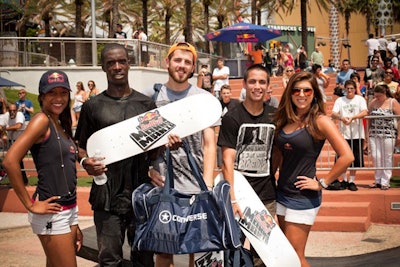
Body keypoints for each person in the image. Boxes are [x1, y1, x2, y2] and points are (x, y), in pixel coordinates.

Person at [75, 43, 156, 267]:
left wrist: (170, 143)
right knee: (109, 261)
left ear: (129, 64)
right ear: (103, 67)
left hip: (140, 196)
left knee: (144, 260)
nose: (117, 66)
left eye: (121, 61)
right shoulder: (92, 106)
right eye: (111, 63)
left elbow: (154, 150)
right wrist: (85, 161)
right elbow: (80, 146)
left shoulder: (146, 104)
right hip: (106, 196)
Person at [3, 69, 83, 267]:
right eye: (52, 93)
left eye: (63, 93)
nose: (59, 98)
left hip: (68, 208)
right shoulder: (41, 120)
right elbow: (10, 161)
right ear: (42, 97)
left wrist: (74, 219)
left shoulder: (59, 124)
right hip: (52, 212)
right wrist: (30, 205)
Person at [273, 71, 353, 267]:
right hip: (282, 192)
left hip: (302, 197)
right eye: (296, 90)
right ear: (289, 93)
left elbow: (347, 156)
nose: (301, 94)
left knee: (295, 257)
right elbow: (280, 153)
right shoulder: (286, 119)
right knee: (285, 254)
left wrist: (322, 183)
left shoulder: (320, 121)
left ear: (314, 94)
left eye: (307, 91)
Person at [146, 42, 216, 267]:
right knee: (164, 253)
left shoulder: (204, 99)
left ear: (193, 67)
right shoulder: (151, 96)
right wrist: (149, 169)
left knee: (197, 250)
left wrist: (207, 184)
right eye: (177, 60)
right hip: (163, 185)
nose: (182, 65)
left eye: (187, 62)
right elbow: (141, 144)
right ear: (167, 62)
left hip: (196, 187)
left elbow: (209, 144)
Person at [218, 64, 277, 267]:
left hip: (266, 197)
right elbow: (227, 160)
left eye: (262, 82)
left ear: (268, 86)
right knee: (234, 253)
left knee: (263, 254)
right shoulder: (232, 117)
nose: (257, 86)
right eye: (252, 81)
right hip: (240, 196)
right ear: (244, 84)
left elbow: (277, 154)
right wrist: (233, 199)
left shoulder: (275, 116)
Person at [331, 80, 368, 191]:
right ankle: (344, 180)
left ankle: (352, 180)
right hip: (343, 134)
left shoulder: (360, 99)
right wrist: (341, 118)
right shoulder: (340, 100)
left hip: (356, 134)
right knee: (342, 158)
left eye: (352, 88)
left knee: (355, 158)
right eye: (348, 88)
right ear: (345, 89)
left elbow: (365, 112)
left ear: (354, 89)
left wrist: (353, 117)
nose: (350, 90)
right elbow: (333, 113)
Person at [367, 84, 400, 190]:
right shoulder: (373, 102)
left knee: (387, 157)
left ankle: (385, 181)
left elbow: (399, 119)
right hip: (374, 133)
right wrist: (367, 133)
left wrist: (399, 135)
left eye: (379, 96)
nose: (377, 98)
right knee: (376, 157)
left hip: (389, 134)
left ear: (384, 93)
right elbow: (369, 119)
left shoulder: (392, 102)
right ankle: (378, 180)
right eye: (375, 96)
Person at [0, 103, 28, 184]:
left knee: (16, 160)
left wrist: (6, 129)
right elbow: (1, 126)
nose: (12, 112)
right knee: (13, 160)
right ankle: (20, 180)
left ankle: (22, 180)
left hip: (21, 140)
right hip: (11, 140)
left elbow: (18, 126)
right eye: (10, 110)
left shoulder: (20, 115)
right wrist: (3, 132)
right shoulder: (5, 116)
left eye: (14, 110)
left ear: (17, 110)